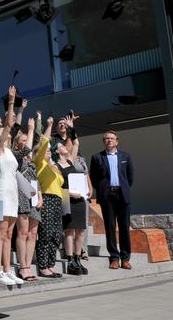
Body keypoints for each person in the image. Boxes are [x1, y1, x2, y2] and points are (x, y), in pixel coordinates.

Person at [0, 86, 22, 286]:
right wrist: (10, 102)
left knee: (9, 233)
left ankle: (8, 270)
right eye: (4, 132)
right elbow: (9, 125)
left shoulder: (9, 151)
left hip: (13, 192)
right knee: (0, 232)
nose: (7, 133)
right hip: (1, 190)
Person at [89, 131, 135, 270]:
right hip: (107, 196)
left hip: (122, 195)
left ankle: (125, 258)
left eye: (111, 138)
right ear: (104, 142)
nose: (109, 140)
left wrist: (123, 188)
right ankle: (114, 258)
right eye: (106, 139)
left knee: (124, 227)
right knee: (110, 227)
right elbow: (94, 178)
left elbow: (130, 176)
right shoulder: (97, 157)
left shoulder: (125, 156)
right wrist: (102, 190)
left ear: (117, 141)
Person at [53, 117, 88, 276]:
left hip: (79, 198)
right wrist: (69, 193)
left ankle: (78, 257)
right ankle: (70, 260)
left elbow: (76, 143)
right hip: (67, 198)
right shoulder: (56, 166)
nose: (64, 146)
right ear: (57, 150)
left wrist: (71, 128)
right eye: (61, 145)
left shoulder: (72, 160)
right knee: (69, 231)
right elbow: (57, 186)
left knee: (80, 230)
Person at [33, 118, 65, 278]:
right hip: (45, 198)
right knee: (45, 232)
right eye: (45, 151)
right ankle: (43, 266)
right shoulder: (38, 163)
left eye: (48, 151)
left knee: (56, 233)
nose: (48, 152)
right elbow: (44, 141)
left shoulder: (54, 166)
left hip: (57, 200)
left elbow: (61, 181)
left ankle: (51, 264)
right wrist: (50, 126)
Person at [12, 117, 40, 282]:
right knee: (22, 232)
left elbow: (35, 179)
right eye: (23, 140)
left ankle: (29, 266)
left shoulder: (30, 162)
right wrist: (30, 129)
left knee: (32, 232)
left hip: (34, 196)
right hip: (21, 195)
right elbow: (29, 148)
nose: (26, 142)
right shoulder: (16, 156)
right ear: (17, 143)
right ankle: (23, 267)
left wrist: (40, 196)